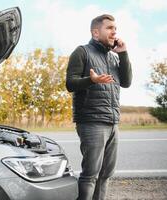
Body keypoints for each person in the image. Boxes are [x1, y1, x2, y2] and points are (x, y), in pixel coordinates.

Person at [66, 14, 132, 200]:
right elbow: (70, 84)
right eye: (109, 28)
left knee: (106, 174)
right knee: (91, 175)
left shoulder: (114, 57)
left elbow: (126, 82)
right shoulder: (82, 52)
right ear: (96, 33)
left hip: (113, 122)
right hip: (91, 121)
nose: (114, 32)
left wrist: (124, 53)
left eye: (115, 29)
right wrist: (91, 80)